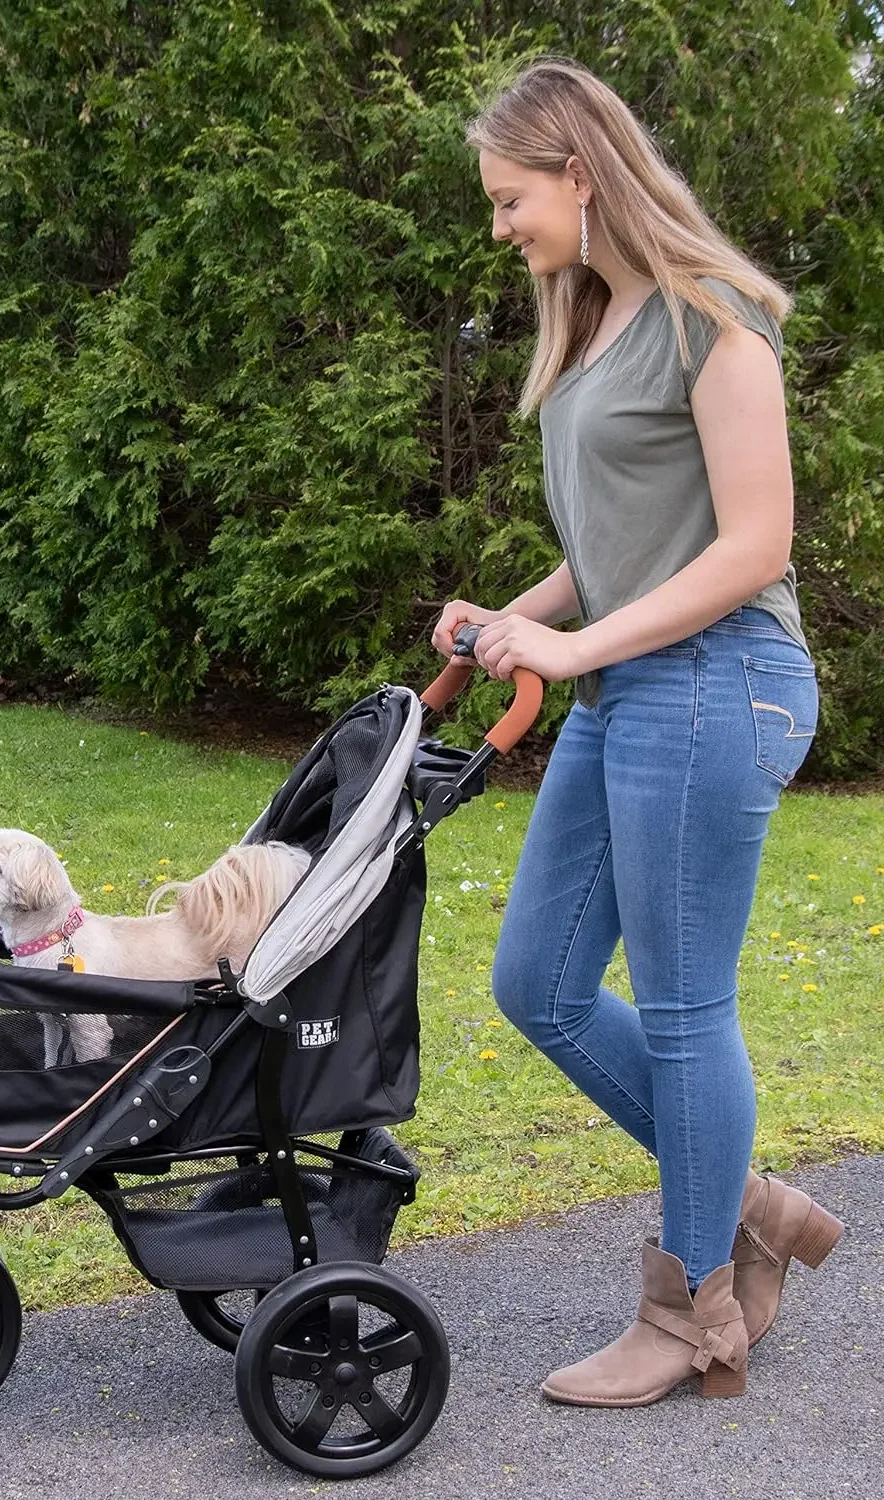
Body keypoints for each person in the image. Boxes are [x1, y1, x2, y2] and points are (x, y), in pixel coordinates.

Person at [431, 56, 843, 1408]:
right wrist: (515, 616)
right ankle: (748, 1207)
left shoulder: (713, 319)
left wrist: (571, 647)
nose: (501, 228)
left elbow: (754, 546)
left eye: (509, 199)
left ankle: (694, 1319)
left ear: (580, 172)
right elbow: (614, 551)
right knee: (537, 982)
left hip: (724, 677)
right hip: (638, 685)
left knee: (681, 1006)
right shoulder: (595, 321)